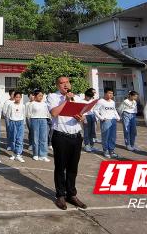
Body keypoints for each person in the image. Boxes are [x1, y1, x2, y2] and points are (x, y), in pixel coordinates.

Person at [48, 75, 87, 210]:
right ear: (57, 86)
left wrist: (81, 118)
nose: (65, 85)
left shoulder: (78, 98)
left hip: (76, 137)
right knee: (60, 167)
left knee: (73, 168)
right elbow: (54, 113)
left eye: (67, 82)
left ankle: (72, 194)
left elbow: (84, 118)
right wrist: (66, 100)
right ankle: (60, 196)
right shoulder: (53, 97)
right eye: (61, 83)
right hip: (60, 137)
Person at [94, 89, 120, 159]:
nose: (111, 95)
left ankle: (111, 150)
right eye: (109, 93)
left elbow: (114, 110)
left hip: (113, 120)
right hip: (106, 121)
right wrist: (101, 117)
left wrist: (117, 117)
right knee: (106, 136)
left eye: (112, 93)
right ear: (105, 93)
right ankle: (105, 151)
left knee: (113, 136)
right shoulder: (101, 101)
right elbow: (95, 110)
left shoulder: (112, 102)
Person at [26, 89, 51, 162]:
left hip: (43, 120)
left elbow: (47, 113)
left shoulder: (44, 104)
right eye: (39, 96)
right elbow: (28, 114)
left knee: (43, 138)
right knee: (35, 138)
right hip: (34, 120)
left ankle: (43, 155)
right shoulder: (32, 104)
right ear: (35, 96)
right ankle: (35, 154)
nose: (41, 97)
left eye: (42, 96)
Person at [6, 91, 26, 163]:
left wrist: (23, 123)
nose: (18, 98)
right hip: (12, 122)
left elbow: (24, 115)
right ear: (14, 97)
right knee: (13, 139)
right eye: (16, 97)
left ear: (21, 98)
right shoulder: (11, 105)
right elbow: (8, 115)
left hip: (20, 123)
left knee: (19, 139)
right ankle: (14, 153)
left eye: (19, 97)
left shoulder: (23, 105)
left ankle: (18, 154)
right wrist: (9, 124)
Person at [81, 88, 98, 153]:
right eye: (89, 97)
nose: (90, 98)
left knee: (92, 132)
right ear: (85, 95)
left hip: (92, 116)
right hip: (85, 116)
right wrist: (83, 118)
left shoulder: (91, 101)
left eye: (91, 97)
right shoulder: (81, 101)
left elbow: (94, 109)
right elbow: (80, 111)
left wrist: (95, 117)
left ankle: (92, 145)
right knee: (87, 131)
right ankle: (86, 145)